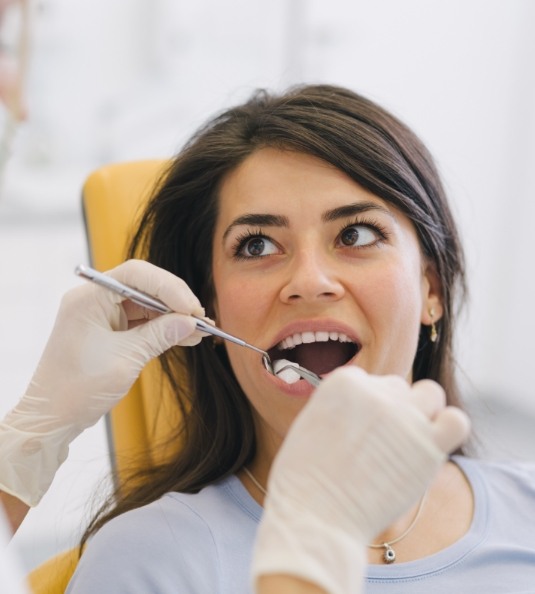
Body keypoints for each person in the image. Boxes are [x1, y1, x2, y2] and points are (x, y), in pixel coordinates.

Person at [1, 83, 532, 592]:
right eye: (256, 246)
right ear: (211, 312)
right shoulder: (149, 559)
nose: (308, 281)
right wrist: (28, 437)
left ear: (431, 288)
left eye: (356, 234)